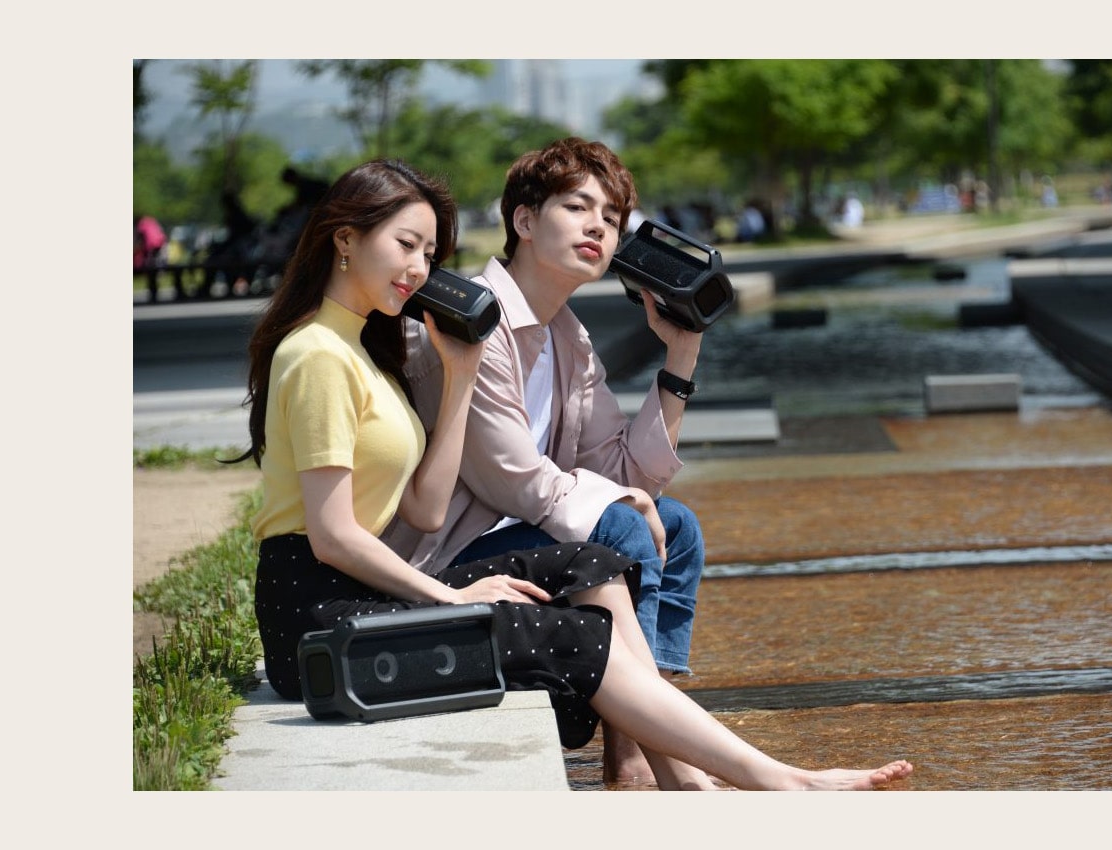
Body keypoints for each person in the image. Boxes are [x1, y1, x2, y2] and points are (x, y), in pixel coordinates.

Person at [232, 157, 913, 791]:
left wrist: (465, 377)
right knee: (579, 616)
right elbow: (330, 537)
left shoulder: (367, 353)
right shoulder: (319, 355)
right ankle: (763, 782)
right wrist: (451, 599)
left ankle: (685, 780)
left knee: (601, 560)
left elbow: (426, 510)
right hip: (318, 623)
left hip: (370, 593)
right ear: (344, 240)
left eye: (430, 253)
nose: (419, 269)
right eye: (406, 245)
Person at [380, 137, 709, 784]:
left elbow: (628, 472)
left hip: (521, 541)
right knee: (618, 524)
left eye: (611, 218)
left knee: (679, 528)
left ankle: (633, 746)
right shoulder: (470, 317)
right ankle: (659, 761)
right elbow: (508, 478)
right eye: (578, 207)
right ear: (525, 221)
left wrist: (680, 357)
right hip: (441, 562)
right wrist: (619, 501)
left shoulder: (568, 339)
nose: (598, 226)